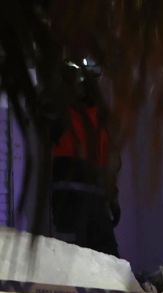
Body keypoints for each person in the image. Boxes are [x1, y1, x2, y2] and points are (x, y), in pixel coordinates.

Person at [50, 62, 121, 256]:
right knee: (72, 260)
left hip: (91, 202)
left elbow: (111, 163)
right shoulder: (61, 112)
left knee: (106, 262)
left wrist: (112, 199)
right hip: (71, 200)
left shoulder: (99, 119)